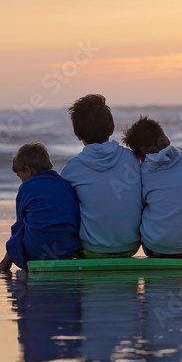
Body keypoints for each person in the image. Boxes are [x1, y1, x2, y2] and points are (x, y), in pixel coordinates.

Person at [122, 116, 182, 259]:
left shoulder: (141, 173)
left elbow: (139, 207)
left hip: (156, 248)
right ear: (167, 140)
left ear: (138, 156)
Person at [60, 94, 143, 257]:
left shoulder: (72, 168)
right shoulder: (132, 158)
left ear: (78, 135)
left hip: (92, 249)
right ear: (112, 129)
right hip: (132, 246)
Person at [0, 141, 80, 272]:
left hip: (37, 251)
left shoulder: (26, 188)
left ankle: (4, 264)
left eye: (20, 176)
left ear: (27, 170)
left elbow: (19, 223)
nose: (21, 180)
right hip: (66, 249)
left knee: (21, 227)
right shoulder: (65, 184)